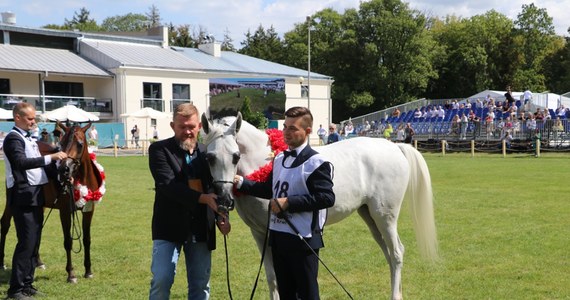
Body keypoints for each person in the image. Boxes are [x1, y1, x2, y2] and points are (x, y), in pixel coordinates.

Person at [234, 106, 335, 300]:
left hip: (303, 238)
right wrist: (242, 182)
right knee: (286, 293)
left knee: (307, 294)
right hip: (279, 237)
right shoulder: (280, 158)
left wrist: (289, 202)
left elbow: (326, 198)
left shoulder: (317, 162)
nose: (286, 133)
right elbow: (270, 189)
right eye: (285, 127)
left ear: (307, 131)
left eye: (293, 128)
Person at [148, 103, 230, 300]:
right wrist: (203, 198)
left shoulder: (208, 153)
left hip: (201, 228)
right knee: (161, 280)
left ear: (199, 127)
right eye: (181, 126)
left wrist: (221, 217)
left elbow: (215, 186)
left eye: (191, 126)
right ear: (172, 126)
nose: (187, 131)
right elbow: (167, 186)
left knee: (200, 286)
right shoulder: (159, 150)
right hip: (169, 227)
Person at [4, 103, 68, 299]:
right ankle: (15, 289)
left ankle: (27, 284)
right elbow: (21, 163)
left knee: (34, 242)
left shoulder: (30, 139)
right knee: (26, 242)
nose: (34, 122)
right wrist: (51, 158)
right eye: (30, 119)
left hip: (35, 195)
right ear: (17, 118)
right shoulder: (13, 139)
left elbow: (41, 169)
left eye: (34, 119)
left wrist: (60, 174)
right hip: (23, 196)